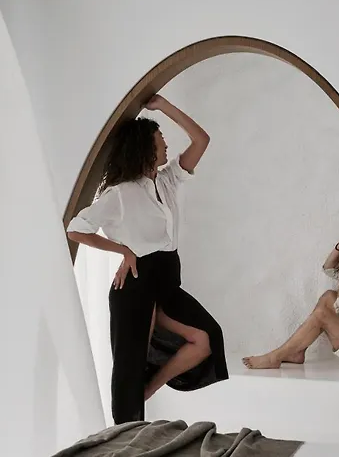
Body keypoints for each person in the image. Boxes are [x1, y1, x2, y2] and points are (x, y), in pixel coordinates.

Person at [67, 94, 228, 425]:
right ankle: (125, 436)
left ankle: (147, 391)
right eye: (160, 140)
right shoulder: (121, 193)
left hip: (167, 282)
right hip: (136, 284)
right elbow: (76, 229)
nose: (166, 145)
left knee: (206, 337)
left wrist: (163, 106)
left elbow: (201, 139)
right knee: (129, 367)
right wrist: (124, 251)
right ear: (145, 148)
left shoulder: (167, 179)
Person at [243, 236, 339, 371]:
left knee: (322, 316)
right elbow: (329, 269)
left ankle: (275, 357)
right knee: (329, 297)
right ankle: (297, 352)